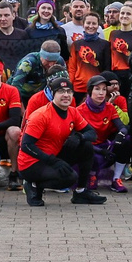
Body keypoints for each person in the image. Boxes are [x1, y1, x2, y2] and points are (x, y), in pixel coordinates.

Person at [14, 75, 109, 206]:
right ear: (52, 94)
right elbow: (26, 146)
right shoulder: (41, 116)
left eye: (69, 92)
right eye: (61, 91)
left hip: (54, 155)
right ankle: (33, 185)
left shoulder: (72, 111)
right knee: (70, 178)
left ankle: (81, 192)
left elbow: (92, 134)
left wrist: (79, 137)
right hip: (32, 163)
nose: (66, 95)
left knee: (86, 146)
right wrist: (52, 161)